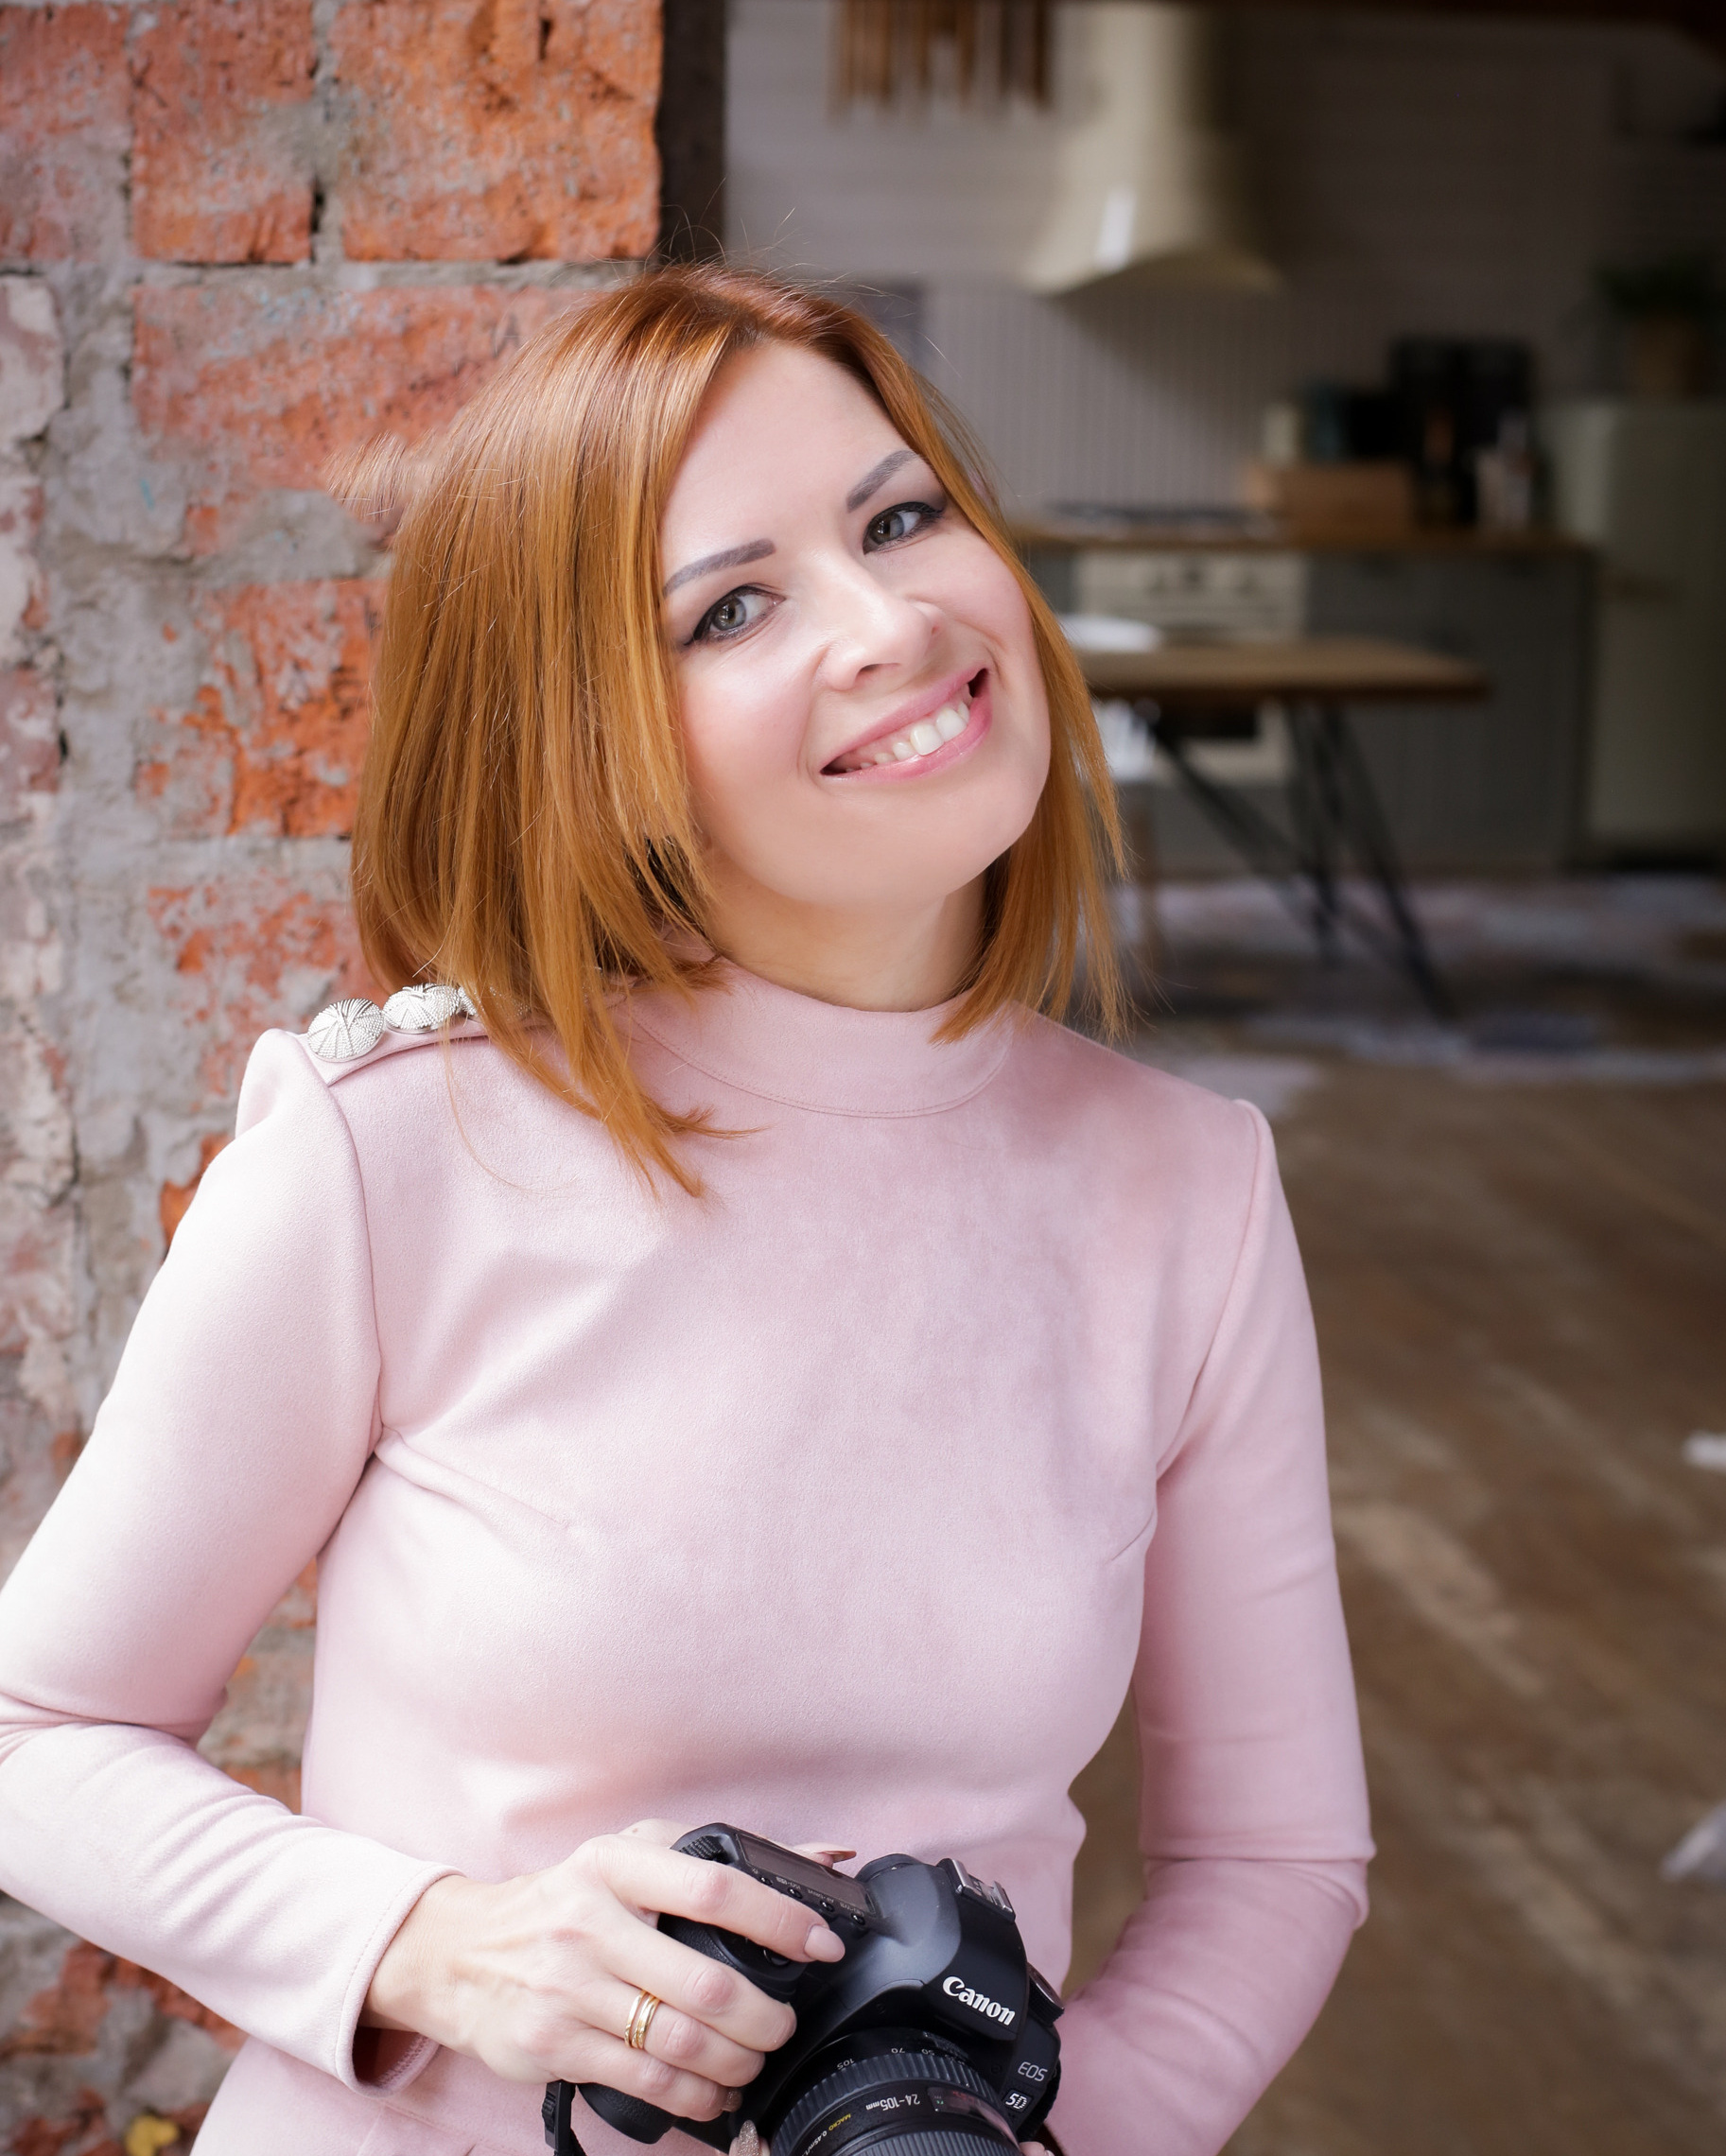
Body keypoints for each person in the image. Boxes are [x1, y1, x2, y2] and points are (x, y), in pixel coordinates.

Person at [0, 268, 1371, 2156]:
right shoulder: (388, 1153)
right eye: (734, 605)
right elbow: (34, 1736)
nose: (893, 620)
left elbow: (1272, 1853)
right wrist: (433, 1945)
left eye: (899, 517)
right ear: (585, 734)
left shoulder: (1187, 1192)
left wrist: (1052, 2124)